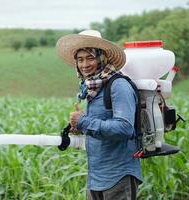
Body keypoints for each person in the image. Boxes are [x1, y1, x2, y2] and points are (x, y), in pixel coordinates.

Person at [56, 30, 142, 200]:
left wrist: (84, 121)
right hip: (95, 178)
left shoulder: (118, 86)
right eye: (80, 60)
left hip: (118, 176)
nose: (84, 64)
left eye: (90, 58)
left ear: (102, 58)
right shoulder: (93, 88)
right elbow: (100, 124)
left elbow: (125, 128)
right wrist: (80, 127)